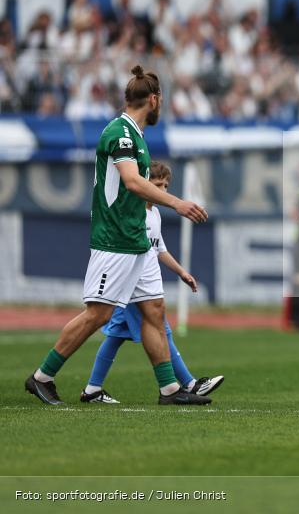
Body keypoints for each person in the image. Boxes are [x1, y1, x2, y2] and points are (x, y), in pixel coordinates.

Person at [25, 65, 210, 406]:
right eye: (161, 100)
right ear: (153, 100)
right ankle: (42, 377)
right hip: (115, 240)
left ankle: (170, 389)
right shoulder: (121, 134)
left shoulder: (135, 136)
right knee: (98, 314)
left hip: (134, 238)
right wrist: (177, 203)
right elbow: (132, 181)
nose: (161, 106)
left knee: (154, 310)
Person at [80, 161, 224, 404]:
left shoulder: (154, 213)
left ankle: (92, 389)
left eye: (166, 185)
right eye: (158, 185)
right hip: (132, 286)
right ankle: (189, 383)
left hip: (136, 287)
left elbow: (159, 249)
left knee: (115, 336)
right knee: (161, 330)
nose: (163, 190)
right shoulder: (134, 212)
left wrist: (181, 272)